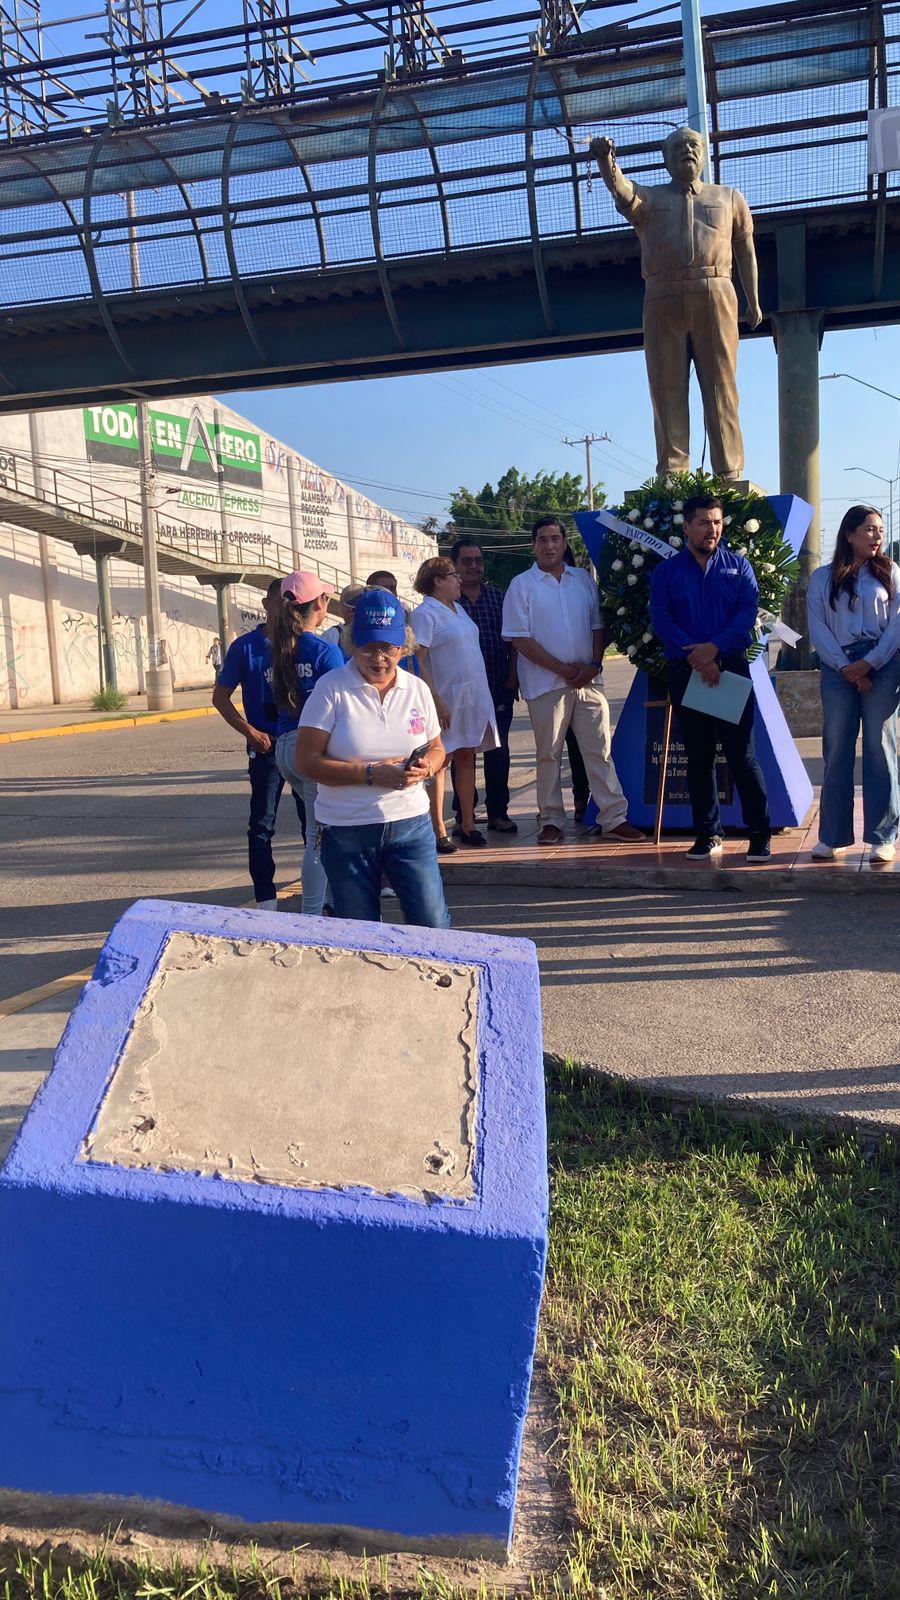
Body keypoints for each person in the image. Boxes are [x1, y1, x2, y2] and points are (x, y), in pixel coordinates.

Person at [590, 127, 762, 481]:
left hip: (715, 289)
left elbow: (746, 248)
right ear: (665, 157)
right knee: (666, 388)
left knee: (721, 385)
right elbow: (622, 190)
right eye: (680, 146)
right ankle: (673, 470)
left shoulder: (729, 197)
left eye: (694, 145)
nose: (688, 151)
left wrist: (753, 299)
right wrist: (607, 162)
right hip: (662, 295)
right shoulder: (650, 199)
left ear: (704, 154)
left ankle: (729, 470)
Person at [295, 587, 450, 927]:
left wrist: (427, 768)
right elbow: (306, 761)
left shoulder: (416, 688)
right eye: (368, 647)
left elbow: (438, 749)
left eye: (388, 648)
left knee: (433, 924)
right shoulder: (331, 689)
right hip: (348, 830)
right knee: (360, 931)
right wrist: (369, 774)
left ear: (403, 645)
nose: (378, 657)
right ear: (352, 643)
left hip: (410, 825)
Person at [501, 516, 643, 847]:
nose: (549, 545)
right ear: (533, 546)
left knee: (599, 750)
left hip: (588, 682)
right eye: (542, 539)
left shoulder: (582, 580)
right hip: (545, 684)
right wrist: (562, 670)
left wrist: (592, 666)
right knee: (548, 754)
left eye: (555, 538)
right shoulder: (522, 585)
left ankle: (613, 818)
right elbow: (519, 639)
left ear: (565, 543)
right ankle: (551, 819)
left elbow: (597, 626)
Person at [649, 492, 772, 861]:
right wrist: (699, 657)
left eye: (717, 522)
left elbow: (745, 614)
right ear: (686, 527)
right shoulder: (667, 572)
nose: (711, 529)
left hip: (730, 669)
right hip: (687, 671)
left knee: (741, 756)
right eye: (703, 522)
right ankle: (707, 832)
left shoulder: (738, 566)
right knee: (698, 757)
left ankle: (759, 832)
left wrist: (714, 650)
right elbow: (662, 619)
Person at [806, 505, 900, 864]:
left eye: (879, 530)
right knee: (837, 749)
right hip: (838, 668)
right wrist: (848, 667)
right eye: (869, 530)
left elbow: (896, 625)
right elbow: (819, 630)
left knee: (880, 749)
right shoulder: (822, 578)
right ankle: (832, 836)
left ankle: (882, 835)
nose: (876, 536)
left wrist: (870, 663)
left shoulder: (890, 573)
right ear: (849, 534)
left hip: (884, 664)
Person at [212, 578, 305, 911]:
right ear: (266, 606)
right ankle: (266, 897)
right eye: (278, 601)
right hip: (265, 749)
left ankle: (319, 889)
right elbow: (220, 698)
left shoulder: (305, 645)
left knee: (313, 819)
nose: (284, 608)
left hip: (303, 748)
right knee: (262, 824)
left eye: (290, 602)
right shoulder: (246, 647)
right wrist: (250, 732)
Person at [412, 556, 499, 850]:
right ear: (437, 581)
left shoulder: (459, 609)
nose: (460, 579)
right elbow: (418, 660)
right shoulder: (426, 613)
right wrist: (435, 700)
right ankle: (438, 829)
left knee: (467, 756)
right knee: (440, 761)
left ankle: (468, 823)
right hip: (446, 697)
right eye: (453, 575)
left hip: (472, 696)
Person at [271, 572, 344, 915]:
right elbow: (344, 704)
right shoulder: (323, 649)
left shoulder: (278, 649)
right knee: (318, 835)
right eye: (327, 597)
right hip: (312, 748)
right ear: (320, 603)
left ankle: (326, 904)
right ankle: (311, 915)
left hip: (285, 747)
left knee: (324, 829)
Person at [451, 537, 518, 833]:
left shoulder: (498, 597)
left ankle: (498, 812)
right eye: (467, 561)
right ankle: (464, 813)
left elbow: (513, 639)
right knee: (462, 752)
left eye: (478, 560)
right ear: (455, 566)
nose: (474, 566)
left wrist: (512, 678)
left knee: (498, 752)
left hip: (498, 686)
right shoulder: (448, 604)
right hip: (462, 692)